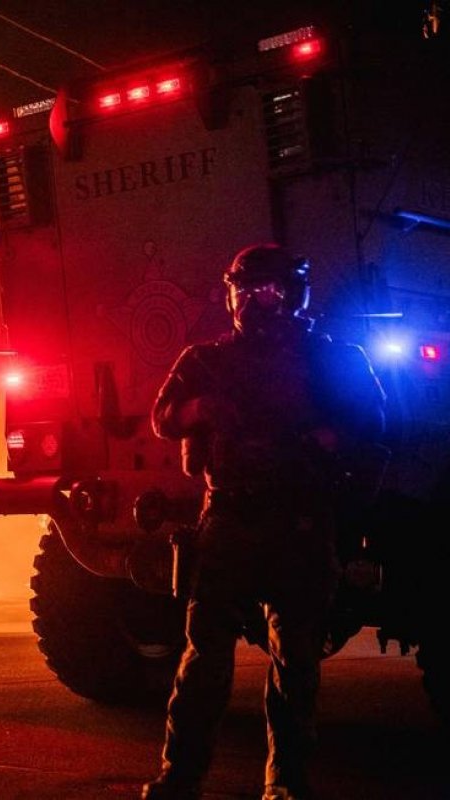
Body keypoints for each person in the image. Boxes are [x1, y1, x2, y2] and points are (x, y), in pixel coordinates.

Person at [142, 244, 386, 800]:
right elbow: (162, 419)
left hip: (300, 522)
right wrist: (200, 410)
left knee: (296, 663)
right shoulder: (205, 361)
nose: (255, 305)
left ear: (295, 296)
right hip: (230, 518)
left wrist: (329, 445)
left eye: (270, 292)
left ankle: (286, 784)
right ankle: (179, 779)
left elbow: (373, 428)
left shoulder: (334, 359)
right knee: (203, 660)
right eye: (244, 293)